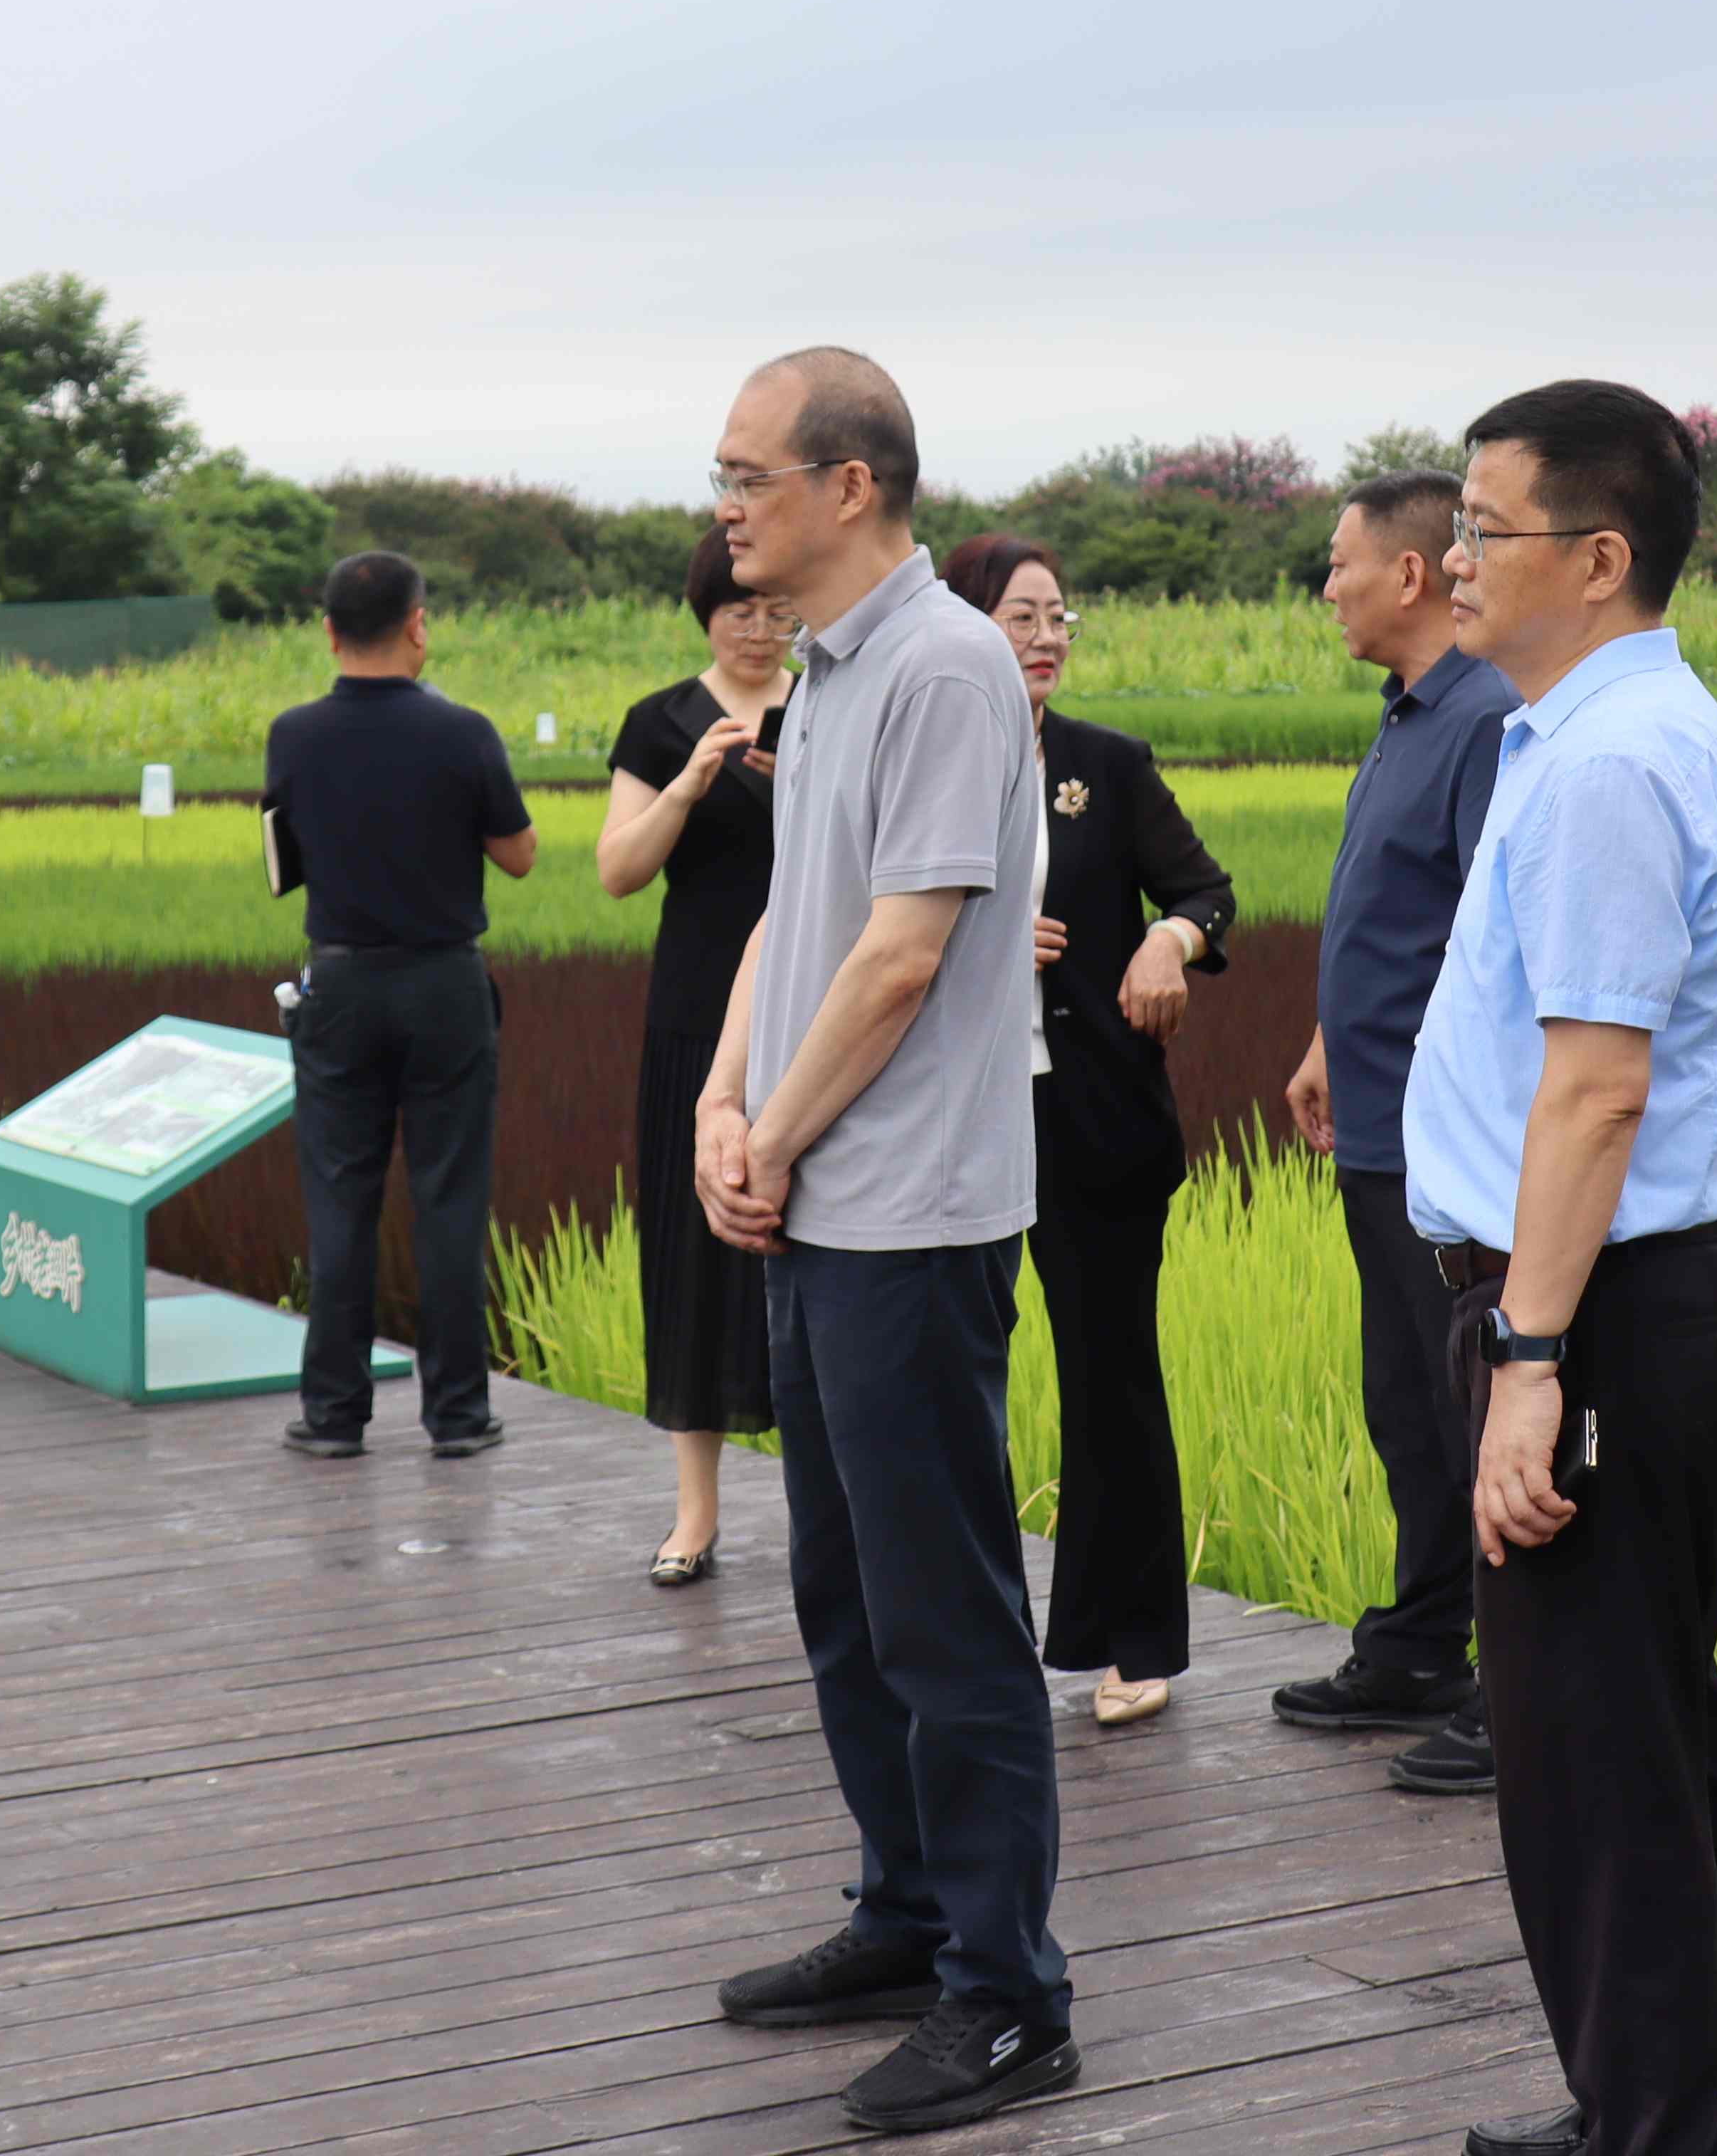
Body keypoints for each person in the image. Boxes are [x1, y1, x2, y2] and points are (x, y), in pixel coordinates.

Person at [695, 346, 1076, 2137]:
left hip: (907, 1215)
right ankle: (907, 1911)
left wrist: (770, 1137)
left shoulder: (941, 665)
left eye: (747, 474)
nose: (725, 506)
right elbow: (795, 921)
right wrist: (725, 1102)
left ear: (849, 484)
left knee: (945, 1614)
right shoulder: (828, 667)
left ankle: (1008, 1992)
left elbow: (906, 951)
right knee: (845, 1596)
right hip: (814, 1200)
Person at [1408, 382, 1717, 2156]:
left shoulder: (1612, 763)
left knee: (1600, 1758)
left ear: (1602, 555)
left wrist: (1529, 1358)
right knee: (1638, 1728)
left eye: (1487, 528)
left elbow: (1599, 1082)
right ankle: (1647, 2096)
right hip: (1611, 1304)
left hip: (1595, 1317)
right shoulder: (1584, 733)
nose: (1452, 558)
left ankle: (1657, 2124)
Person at [937, 530, 1235, 1729]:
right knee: (947, 1378)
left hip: (1091, 1115)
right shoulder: (922, 760)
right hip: (952, 1115)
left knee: (1111, 1376)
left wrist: (1169, 939)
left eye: (1058, 617)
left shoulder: (1105, 766)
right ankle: (962, 1637)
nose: (1047, 637)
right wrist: (982, 941)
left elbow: (1207, 891)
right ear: (966, 629)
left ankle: (1135, 1638)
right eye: (1022, 617)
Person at [1269, 469, 1516, 1802]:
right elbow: (1394, 913)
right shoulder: (1411, 712)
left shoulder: (1480, 719)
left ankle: (1514, 1689)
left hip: (1444, 1148)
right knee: (1407, 1407)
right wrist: (1326, 1039)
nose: (1329, 586)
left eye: (1340, 562)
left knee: (1470, 1413)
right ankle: (1420, 1646)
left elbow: (1487, 943)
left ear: (1409, 574)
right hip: (1373, 1128)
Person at [262, 550, 537, 1460]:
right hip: (444, 986)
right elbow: (519, 855)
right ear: (419, 624)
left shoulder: (293, 735)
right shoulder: (463, 732)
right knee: (448, 1199)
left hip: (340, 987)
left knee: (340, 1199)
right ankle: (458, 1415)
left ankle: (333, 1415)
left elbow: (284, 857)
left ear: (329, 632)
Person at [596, 525, 789, 1581]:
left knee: (811, 1249)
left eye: (775, 610)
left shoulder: (829, 705)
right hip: (694, 1016)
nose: (758, 630)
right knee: (692, 1254)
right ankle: (695, 1515)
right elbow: (618, 871)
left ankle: (829, 1510)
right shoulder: (662, 721)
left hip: (815, 1013)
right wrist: (689, 782)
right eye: (737, 612)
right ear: (705, 615)